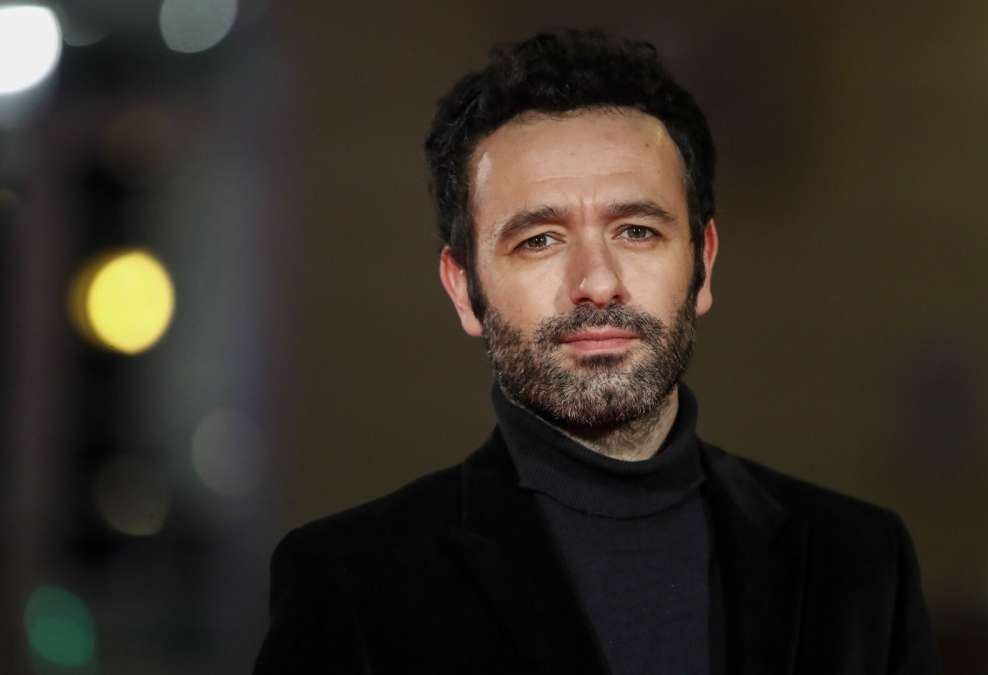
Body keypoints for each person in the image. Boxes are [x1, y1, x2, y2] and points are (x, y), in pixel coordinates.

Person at [254, 29, 941, 675]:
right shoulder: (350, 584)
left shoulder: (860, 565)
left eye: (637, 230)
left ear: (703, 263)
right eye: (539, 240)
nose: (597, 282)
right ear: (464, 289)